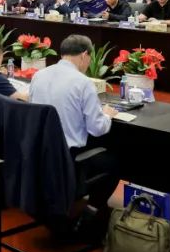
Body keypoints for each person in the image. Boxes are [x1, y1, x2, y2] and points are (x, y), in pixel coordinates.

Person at [29, 35, 120, 213]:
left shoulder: (38, 75)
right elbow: (97, 128)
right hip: (67, 159)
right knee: (114, 161)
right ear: (84, 55)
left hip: (39, 154)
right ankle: (91, 213)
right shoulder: (83, 83)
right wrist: (106, 115)